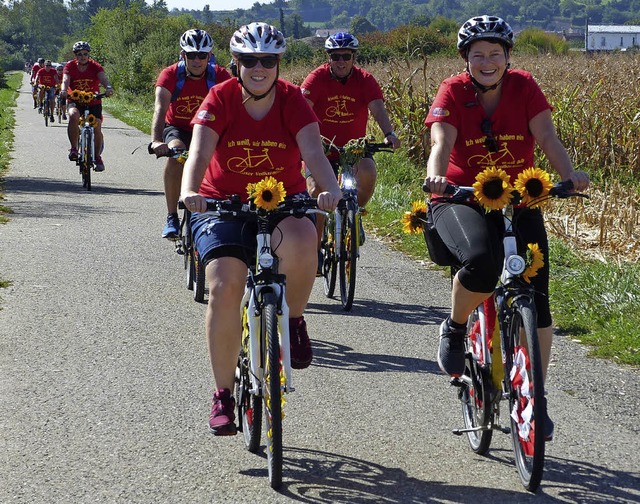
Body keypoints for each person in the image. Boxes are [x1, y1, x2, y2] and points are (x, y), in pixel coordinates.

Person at [422, 15, 590, 441]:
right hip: (461, 196)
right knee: (481, 261)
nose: (487, 61)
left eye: (495, 53)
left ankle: (537, 393)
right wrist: (437, 178)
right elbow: (440, 142)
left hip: (519, 196)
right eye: (478, 54)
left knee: (539, 299)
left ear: (507, 57)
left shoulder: (525, 86)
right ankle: (456, 328)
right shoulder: (453, 91)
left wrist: (569, 174)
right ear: (466, 59)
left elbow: (547, 137)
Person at [180, 22, 342, 435]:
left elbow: (314, 152)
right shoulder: (219, 98)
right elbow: (199, 151)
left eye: (267, 60)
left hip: (282, 201)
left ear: (277, 64)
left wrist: (330, 189)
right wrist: (189, 191)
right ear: (235, 63)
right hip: (222, 204)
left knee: (305, 239)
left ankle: (296, 318)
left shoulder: (293, 100)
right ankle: (223, 394)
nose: (258, 67)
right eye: (249, 60)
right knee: (223, 286)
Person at [301, 32, 400, 259]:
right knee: (317, 191)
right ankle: (314, 255)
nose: (341, 61)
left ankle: (356, 216)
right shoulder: (316, 78)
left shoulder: (365, 80)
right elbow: (302, 108)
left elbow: (377, 108)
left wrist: (389, 133)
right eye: (336, 56)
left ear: (354, 57)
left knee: (368, 172)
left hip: (354, 147)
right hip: (321, 148)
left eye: (346, 56)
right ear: (329, 58)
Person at [150, 29, 231, 240]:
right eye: (191, 55)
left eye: (202, 55)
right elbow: (160, 108)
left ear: (209, 56)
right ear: (182, 54)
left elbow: (232, 109)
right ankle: (171, 217)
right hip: (177, 127)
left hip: (208, 129)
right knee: (177, 155)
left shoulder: (220, 76)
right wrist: (157, 140)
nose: (197, 60)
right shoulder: (170, 75)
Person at [60, 41, 114, 172]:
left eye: (85, 54)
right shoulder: (70, 66)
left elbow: (103, 78)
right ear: (75, 55)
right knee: (73, 115)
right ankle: (74, 148)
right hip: (75, 99)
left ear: (88, 55)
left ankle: (97, 157)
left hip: (93, 101)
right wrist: (63, 90)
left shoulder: (95, 66)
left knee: (97, 126)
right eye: (79, 54)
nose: (82, 56)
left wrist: (108, 87)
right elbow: (65, 80)